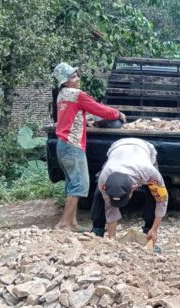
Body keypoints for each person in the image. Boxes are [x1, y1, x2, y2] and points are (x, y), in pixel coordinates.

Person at [52, 62, 125, 233]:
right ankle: (64, 223)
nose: (77, 79)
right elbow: (100, 110)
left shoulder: (62, 94)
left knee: (72, 184)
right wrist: (118, 114)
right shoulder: (77, 94)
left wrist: (86, 121)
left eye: (77, 75)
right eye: (73, 77)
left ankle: (72, 222)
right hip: (73, 145)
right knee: (79, 184)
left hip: (62, 144)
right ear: (65, 81)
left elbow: (72, 115)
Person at [90, 138, 167, 252]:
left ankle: (148, 233)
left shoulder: (149, 173)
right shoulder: (104, 179)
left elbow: (162, 201)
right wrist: (112, 240)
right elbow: (110, 207)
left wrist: (154, 229)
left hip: (144, 148)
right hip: (117, 148)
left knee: (152, 196)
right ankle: (97, 230)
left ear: (133, 189)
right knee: (98, 195)